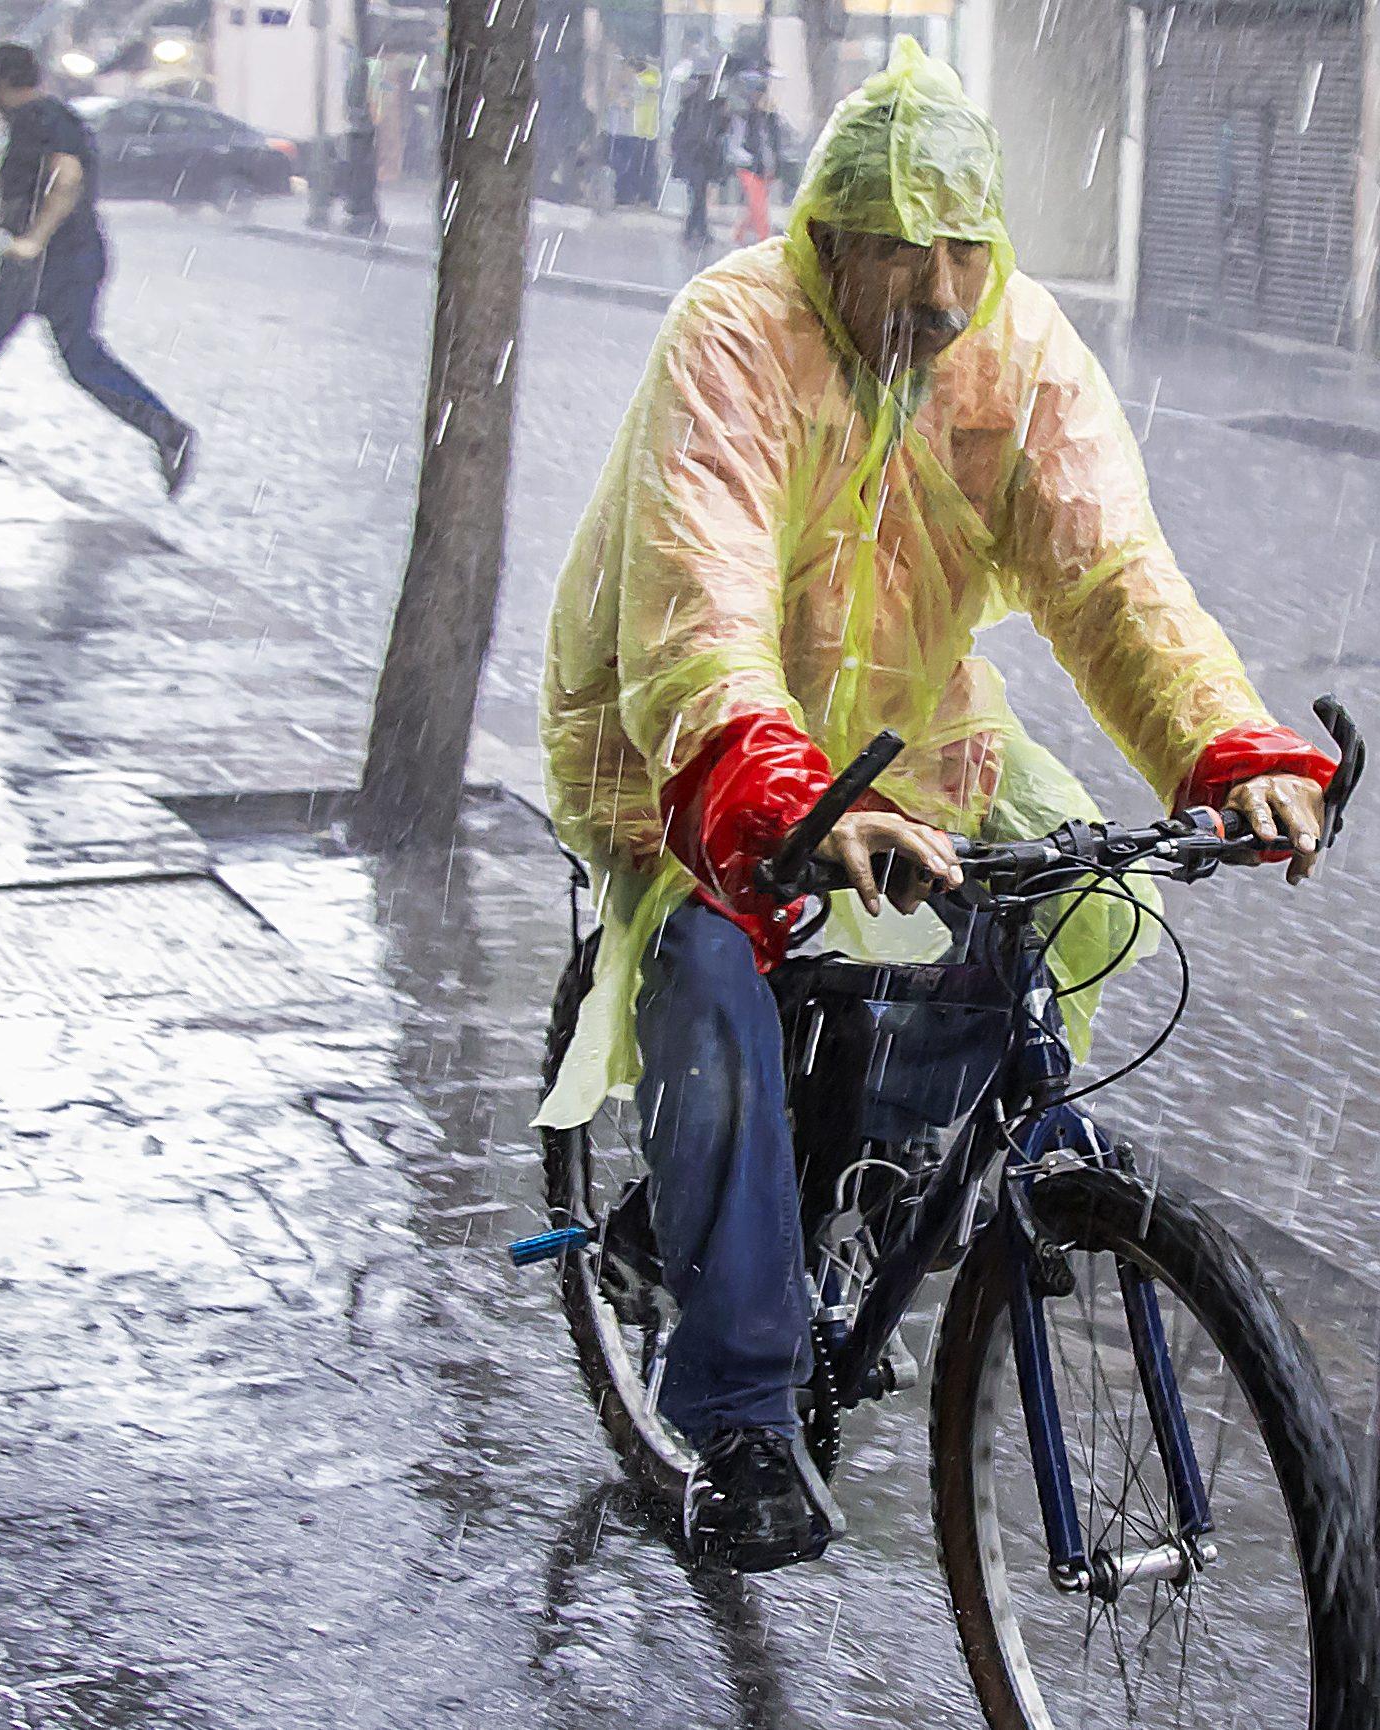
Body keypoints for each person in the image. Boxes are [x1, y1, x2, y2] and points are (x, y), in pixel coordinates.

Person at [532, 39, 1338, 1572]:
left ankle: (856, 1169)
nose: (935, 290)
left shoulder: (1017, 354)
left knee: (1084, 903)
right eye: (898, 254)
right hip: (680, 738)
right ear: (826, 236)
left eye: (959, 252)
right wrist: (765, 785)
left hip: (906, 728)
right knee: (715, 974)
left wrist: (1230, 753)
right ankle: (743, 1410)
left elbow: (1110, 579)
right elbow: (695, 602)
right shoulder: (734, 332)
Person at [0, 42, 193, 494]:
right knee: (74, 356)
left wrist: (34, 238)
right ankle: (162, 428)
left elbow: (67, 177)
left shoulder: (43, 118)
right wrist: (8, 221)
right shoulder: (42, 118)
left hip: (51, 261)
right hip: (65, 256)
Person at [729, 78, 789, 244]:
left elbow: (776, 144)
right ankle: (765, 239)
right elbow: (737, 143)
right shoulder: (746, 118)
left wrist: (775, 166)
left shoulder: (771, 119)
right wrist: (748, 159)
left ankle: (738, 233)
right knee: (759, 205)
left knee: (753, 205)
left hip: (766, 169)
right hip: (750, 168)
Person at [671, 69, 724, 245]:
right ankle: (696, 229)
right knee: (698, 193)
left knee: (698, 194)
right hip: (696, 156)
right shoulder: (696, 106)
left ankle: (696, 228)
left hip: (700, 156)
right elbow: (690, 132)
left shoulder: (705, 106)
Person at [611, 58, 664, 207]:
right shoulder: (653, 76)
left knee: (636, 165)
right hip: (644, 129)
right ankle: (641, 196)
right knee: (642, 165)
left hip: (642, 130)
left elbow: (631, 98)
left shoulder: (643, 79)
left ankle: (633, 196)